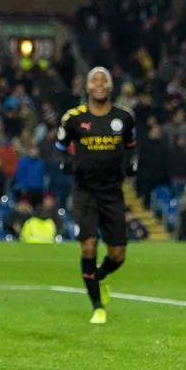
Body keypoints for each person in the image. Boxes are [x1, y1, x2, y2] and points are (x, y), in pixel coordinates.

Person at [56, 67, 136, 325]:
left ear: (111, 86)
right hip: (85, 192)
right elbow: (60, 148)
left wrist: (132, 164)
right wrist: (65, 163)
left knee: (118, 255)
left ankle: (98, 277)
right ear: (87, 87)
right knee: (88, 246)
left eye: (104, 80)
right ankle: (97, 307)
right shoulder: (73, 118)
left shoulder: (124, 118)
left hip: (113, 192)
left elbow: (131, 148)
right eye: (94, 80)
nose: (99, 84)